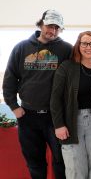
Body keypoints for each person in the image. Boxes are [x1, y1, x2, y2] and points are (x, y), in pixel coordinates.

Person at [2, 10, 71, 179]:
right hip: (28, 117)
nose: (52, 31)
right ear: (41, 24)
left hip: (55, 118)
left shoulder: (67, 49)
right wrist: (14, 106)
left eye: (57, 28)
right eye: (49, 26)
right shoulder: (21, 48)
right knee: (35, 163)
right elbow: (10, 79)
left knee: (61, 161)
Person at [50, 31, 91, 179]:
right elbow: (55, 98)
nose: (88, 47)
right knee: (75, 170)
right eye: (84, 43)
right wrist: (58, 124)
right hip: (73, 122)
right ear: (78, 46)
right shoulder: (67, 67)